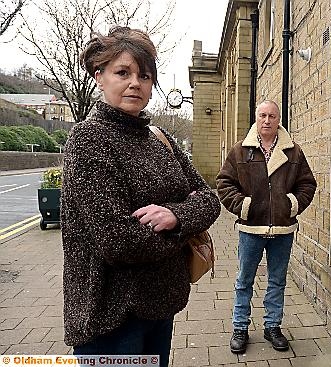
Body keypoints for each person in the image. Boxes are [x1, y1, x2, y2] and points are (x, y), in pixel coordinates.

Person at [61, 26, 220, 367]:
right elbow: (118, 242)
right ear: (100, 76)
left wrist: (175, 217)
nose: (135, 82)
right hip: (113, 318)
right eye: (123, 72)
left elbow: (209, 199)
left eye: (145, 75)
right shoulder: (89, 139)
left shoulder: (159, 137)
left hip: (160, 306)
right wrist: (183, 227)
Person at [216, 100, 317, 353]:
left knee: (277, 281)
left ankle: (273, 326)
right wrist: (244, 207)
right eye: (263, 115)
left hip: (283, 229)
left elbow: (308, 184)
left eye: (272, 116)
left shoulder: (293, 151)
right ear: (256, 118)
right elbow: (224, 183)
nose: (267, 120)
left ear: (278, 119)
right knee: (244, 280)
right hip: (251, 229)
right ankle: (240, 328)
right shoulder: (241, 150)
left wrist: (291, 205)